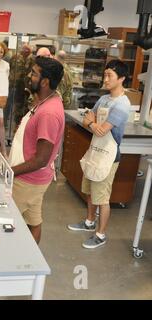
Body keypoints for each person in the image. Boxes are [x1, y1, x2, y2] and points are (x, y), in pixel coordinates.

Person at [0, 56, 65, 244]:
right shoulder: (46, 101)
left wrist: (7, 172)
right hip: (34, 180)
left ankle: (14, 260)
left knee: (5, 221)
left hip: (27, 181)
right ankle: (31, 260)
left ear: (45, 82)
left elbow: (41, 159)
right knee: (34, 221)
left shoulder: (49, 112)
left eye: (34, 73)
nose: (28, 75)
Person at [68, 60, 130, 249]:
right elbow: (89, 118)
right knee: (89, 190)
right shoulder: (104, 99)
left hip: (109, 157)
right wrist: (93, 125)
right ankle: (89, 222)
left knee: (102, 198)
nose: (105, 79)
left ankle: (100, 234)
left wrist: (92, 124)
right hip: (95, 151)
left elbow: (101, 130)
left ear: (121, 78)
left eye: (109, 75)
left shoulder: (122, 104)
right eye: (105, 75)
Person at [8, 44, 35, 126]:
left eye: (27, 50)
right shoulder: (15, 57)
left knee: (27, 109)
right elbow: (9, 69)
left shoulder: (33, 59)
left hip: (29, 88)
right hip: (16, 86)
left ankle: (25, 126)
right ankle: (16, 126)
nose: (25, 51)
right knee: (16, 107)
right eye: (24, 49)